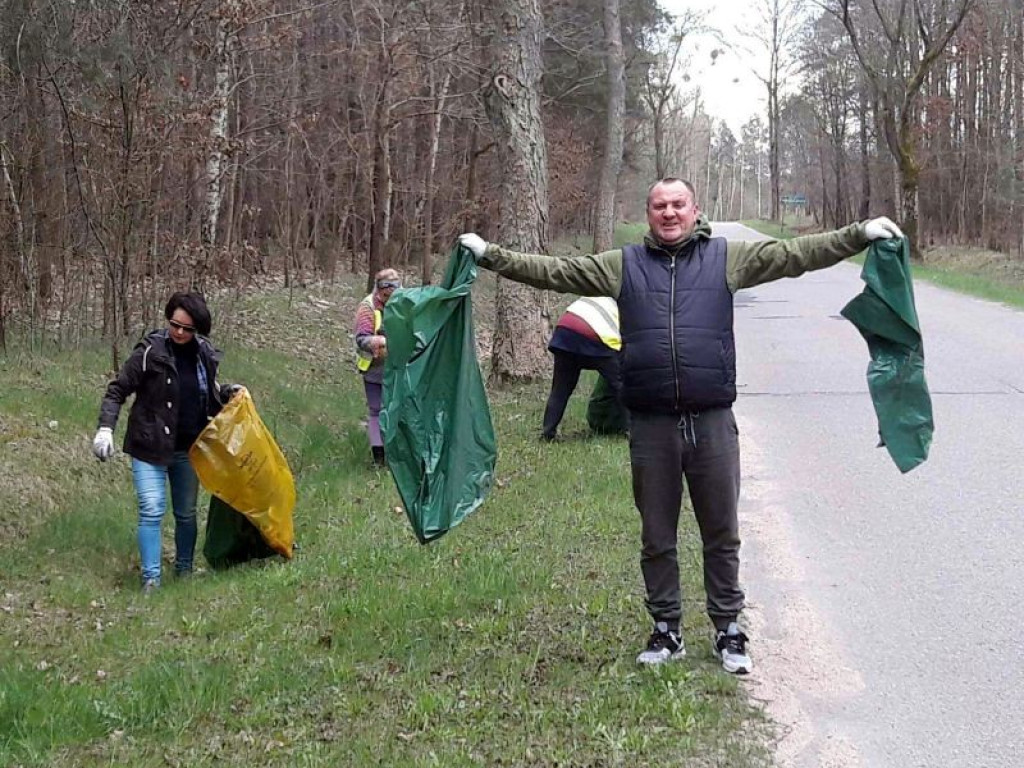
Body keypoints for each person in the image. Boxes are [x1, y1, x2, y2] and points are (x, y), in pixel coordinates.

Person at [458, 178, 903, 673]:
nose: (669, 213)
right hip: (651, 427)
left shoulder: (725, 259)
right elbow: (555, 271)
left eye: (677, 205)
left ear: (695, 210)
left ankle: (728, 630)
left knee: (722, 532)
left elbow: (795, 254)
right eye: (658, 206)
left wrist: (859, 234)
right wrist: (489, 255)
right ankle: (666, 630)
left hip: (712, 422)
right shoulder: (621, 266)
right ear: (648, 213)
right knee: (657, 536)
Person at [92, 292, 238, 592]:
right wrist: (105, 428)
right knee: (152, 506)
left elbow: (209, 397)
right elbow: (117, 390)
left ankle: (184, 571)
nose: (180, 332)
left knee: (185, 513)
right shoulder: (149, 352)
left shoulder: (205, 356)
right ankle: (151, 579)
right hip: (149, 446)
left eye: (188, 328)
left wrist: (228, 394)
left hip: (189, 449)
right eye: (175, 325)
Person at [542, 295, 623, 441]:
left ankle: (548, 433)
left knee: (560, 389)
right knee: (622, 386)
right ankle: (633, 431)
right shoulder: (628, 304)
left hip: (565, 329)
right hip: (594, 335)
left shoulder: (598, 292)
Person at [354, 268, 401, 467]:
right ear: (380, 290)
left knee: (397, 410)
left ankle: (397, 453)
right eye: (386, 292)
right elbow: (361, 339)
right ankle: (378, 456)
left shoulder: (402, 302)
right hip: (374, 368)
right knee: (376, 410)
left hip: (397, 368)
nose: (390, 296)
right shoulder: (367, 307)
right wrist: (378, 341)